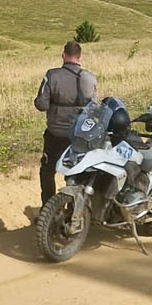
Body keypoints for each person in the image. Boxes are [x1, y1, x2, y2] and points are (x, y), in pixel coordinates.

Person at [33, 40, 98, 204]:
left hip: (56, 134)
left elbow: (41, 105)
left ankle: (48, 208)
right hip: (80, 136)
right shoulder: (90, 78)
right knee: (78, 172)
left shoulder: (52, 76)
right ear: (80, 57)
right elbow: (94, 108)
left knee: (47, 171)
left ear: (63, 55)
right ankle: (75, 208)